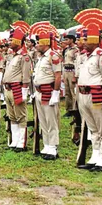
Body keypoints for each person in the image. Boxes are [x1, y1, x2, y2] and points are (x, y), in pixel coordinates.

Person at [76, 27, 102, 171]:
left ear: (95, 40)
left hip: (96, 95)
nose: (83, 42)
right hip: (83, 95)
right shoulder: (86, 56)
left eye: (86, 39)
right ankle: (95, 156)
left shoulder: (101, 55)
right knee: (92, 128)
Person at [33, 32, 62, 160]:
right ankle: (46, 145)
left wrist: (55, 94)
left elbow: (58, 76)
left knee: (51, 120)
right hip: (39, 92)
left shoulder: (53, 56)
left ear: (45, 43)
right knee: (43, 120)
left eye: (39, 43)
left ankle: (53, 146)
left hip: (48, 92)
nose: (37, 45)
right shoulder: (41, 57)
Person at [2, 29, 32, 151]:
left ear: (18, 41)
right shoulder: (13, 55)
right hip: (8, 89)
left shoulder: (24, 57)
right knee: (12, 116)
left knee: (20, 116)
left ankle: (21, 142)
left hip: (17, 89)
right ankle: (14, 141)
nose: (9, 42)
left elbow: (26, 76)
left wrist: (24, 92)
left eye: (11, 40)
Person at [61, 32, 79, 118]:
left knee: (73, 91)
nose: (65, 41)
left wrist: (75, 76)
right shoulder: (66, 50)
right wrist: (62, 74)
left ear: (72, 40)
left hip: (72, 71)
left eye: (67, 39)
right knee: (67, 91)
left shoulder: (76, 50)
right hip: (66, 71)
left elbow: (77, 63)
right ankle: (68, 109)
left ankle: (75, 109)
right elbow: (63, 62)